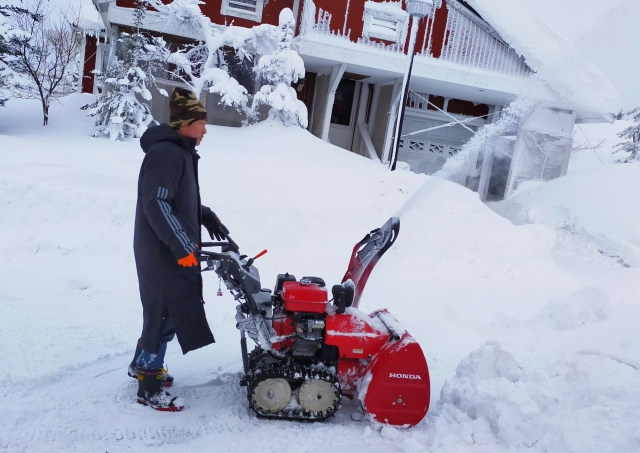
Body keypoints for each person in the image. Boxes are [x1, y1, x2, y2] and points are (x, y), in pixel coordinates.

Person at [127, 87, 229, 411]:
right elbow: (155, 202)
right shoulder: (167, 154)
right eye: (201, 123)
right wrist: (181, 245)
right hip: (161, 251)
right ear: (185, 123)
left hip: (165, 248)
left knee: (162, 311)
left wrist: (204, 213)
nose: (205, 130)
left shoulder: (180, 152)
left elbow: (175, 201)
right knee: (164, 314)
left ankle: (140, 366)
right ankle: (149, 385)